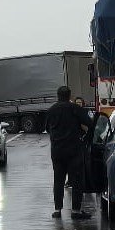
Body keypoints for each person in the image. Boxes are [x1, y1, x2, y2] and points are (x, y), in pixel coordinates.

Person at [45, 86, 92, 219]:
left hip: (57, 151)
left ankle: (57, 210)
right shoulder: (75, 109)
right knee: (76, 180)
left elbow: (47, 128)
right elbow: (90, 123)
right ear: (69, 96)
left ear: (58, 95)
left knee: (58, 180)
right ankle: (76, 211)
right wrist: (84, 137)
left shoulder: (51, 110)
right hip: (74, 150)